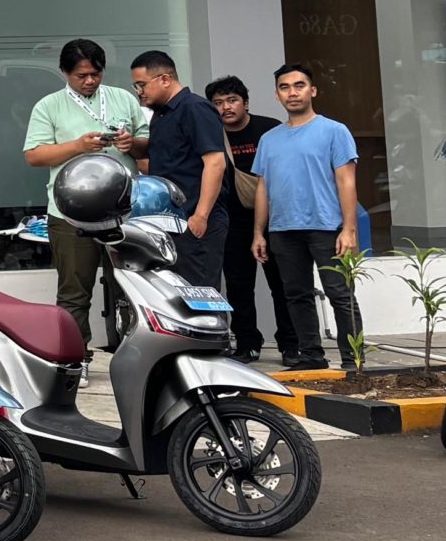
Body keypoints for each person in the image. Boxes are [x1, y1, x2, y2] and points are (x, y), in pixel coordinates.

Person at [23, 39, 147, 348]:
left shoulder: (123, 98)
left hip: (123, 210)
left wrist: (131, 144)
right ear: (64, 72)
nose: (90, 80)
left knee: (131, 288)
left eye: (96, 73)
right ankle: (74, 359)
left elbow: (147, 143)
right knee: (74, 292)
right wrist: (78, 146)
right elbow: (34, 155)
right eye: (82, 75)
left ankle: (134, 353)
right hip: (70, 213)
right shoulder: (49, 105)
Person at [251, 63, 366, 371]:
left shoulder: (334, 131)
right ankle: (311, 356)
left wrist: (349, 229)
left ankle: (353, 359)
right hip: (283, 230)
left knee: (340, 294)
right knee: (296, 295)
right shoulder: (269, 139)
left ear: (312, 91)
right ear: (277, 95)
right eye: (284, 87)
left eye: (299, 85)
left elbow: (347, 182)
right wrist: (259, 232)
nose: (292, 92)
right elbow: (262, 187)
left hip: (327, 227)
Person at [205, 76, 292, 362]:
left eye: (232, 100)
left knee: (282, 283)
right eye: (218, 103)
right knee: (239, 285)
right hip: (231, 219)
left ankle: (290, 344)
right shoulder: (212, 135)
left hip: (275, 216)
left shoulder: (270, 129)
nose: (226, 107)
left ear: (246, 103)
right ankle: (247, 342)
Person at [128, 51, 227, 290]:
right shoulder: (161, 114)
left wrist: (200, 216)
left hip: (196, 219)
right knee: (177, 294)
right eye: (136, 86)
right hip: (170, 221)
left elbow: (215, 163)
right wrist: (129, 144)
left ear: (165, 79)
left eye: (142, 85)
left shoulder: (195, 108)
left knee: (201, 294)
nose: (139, 92)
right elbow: (162, 156)